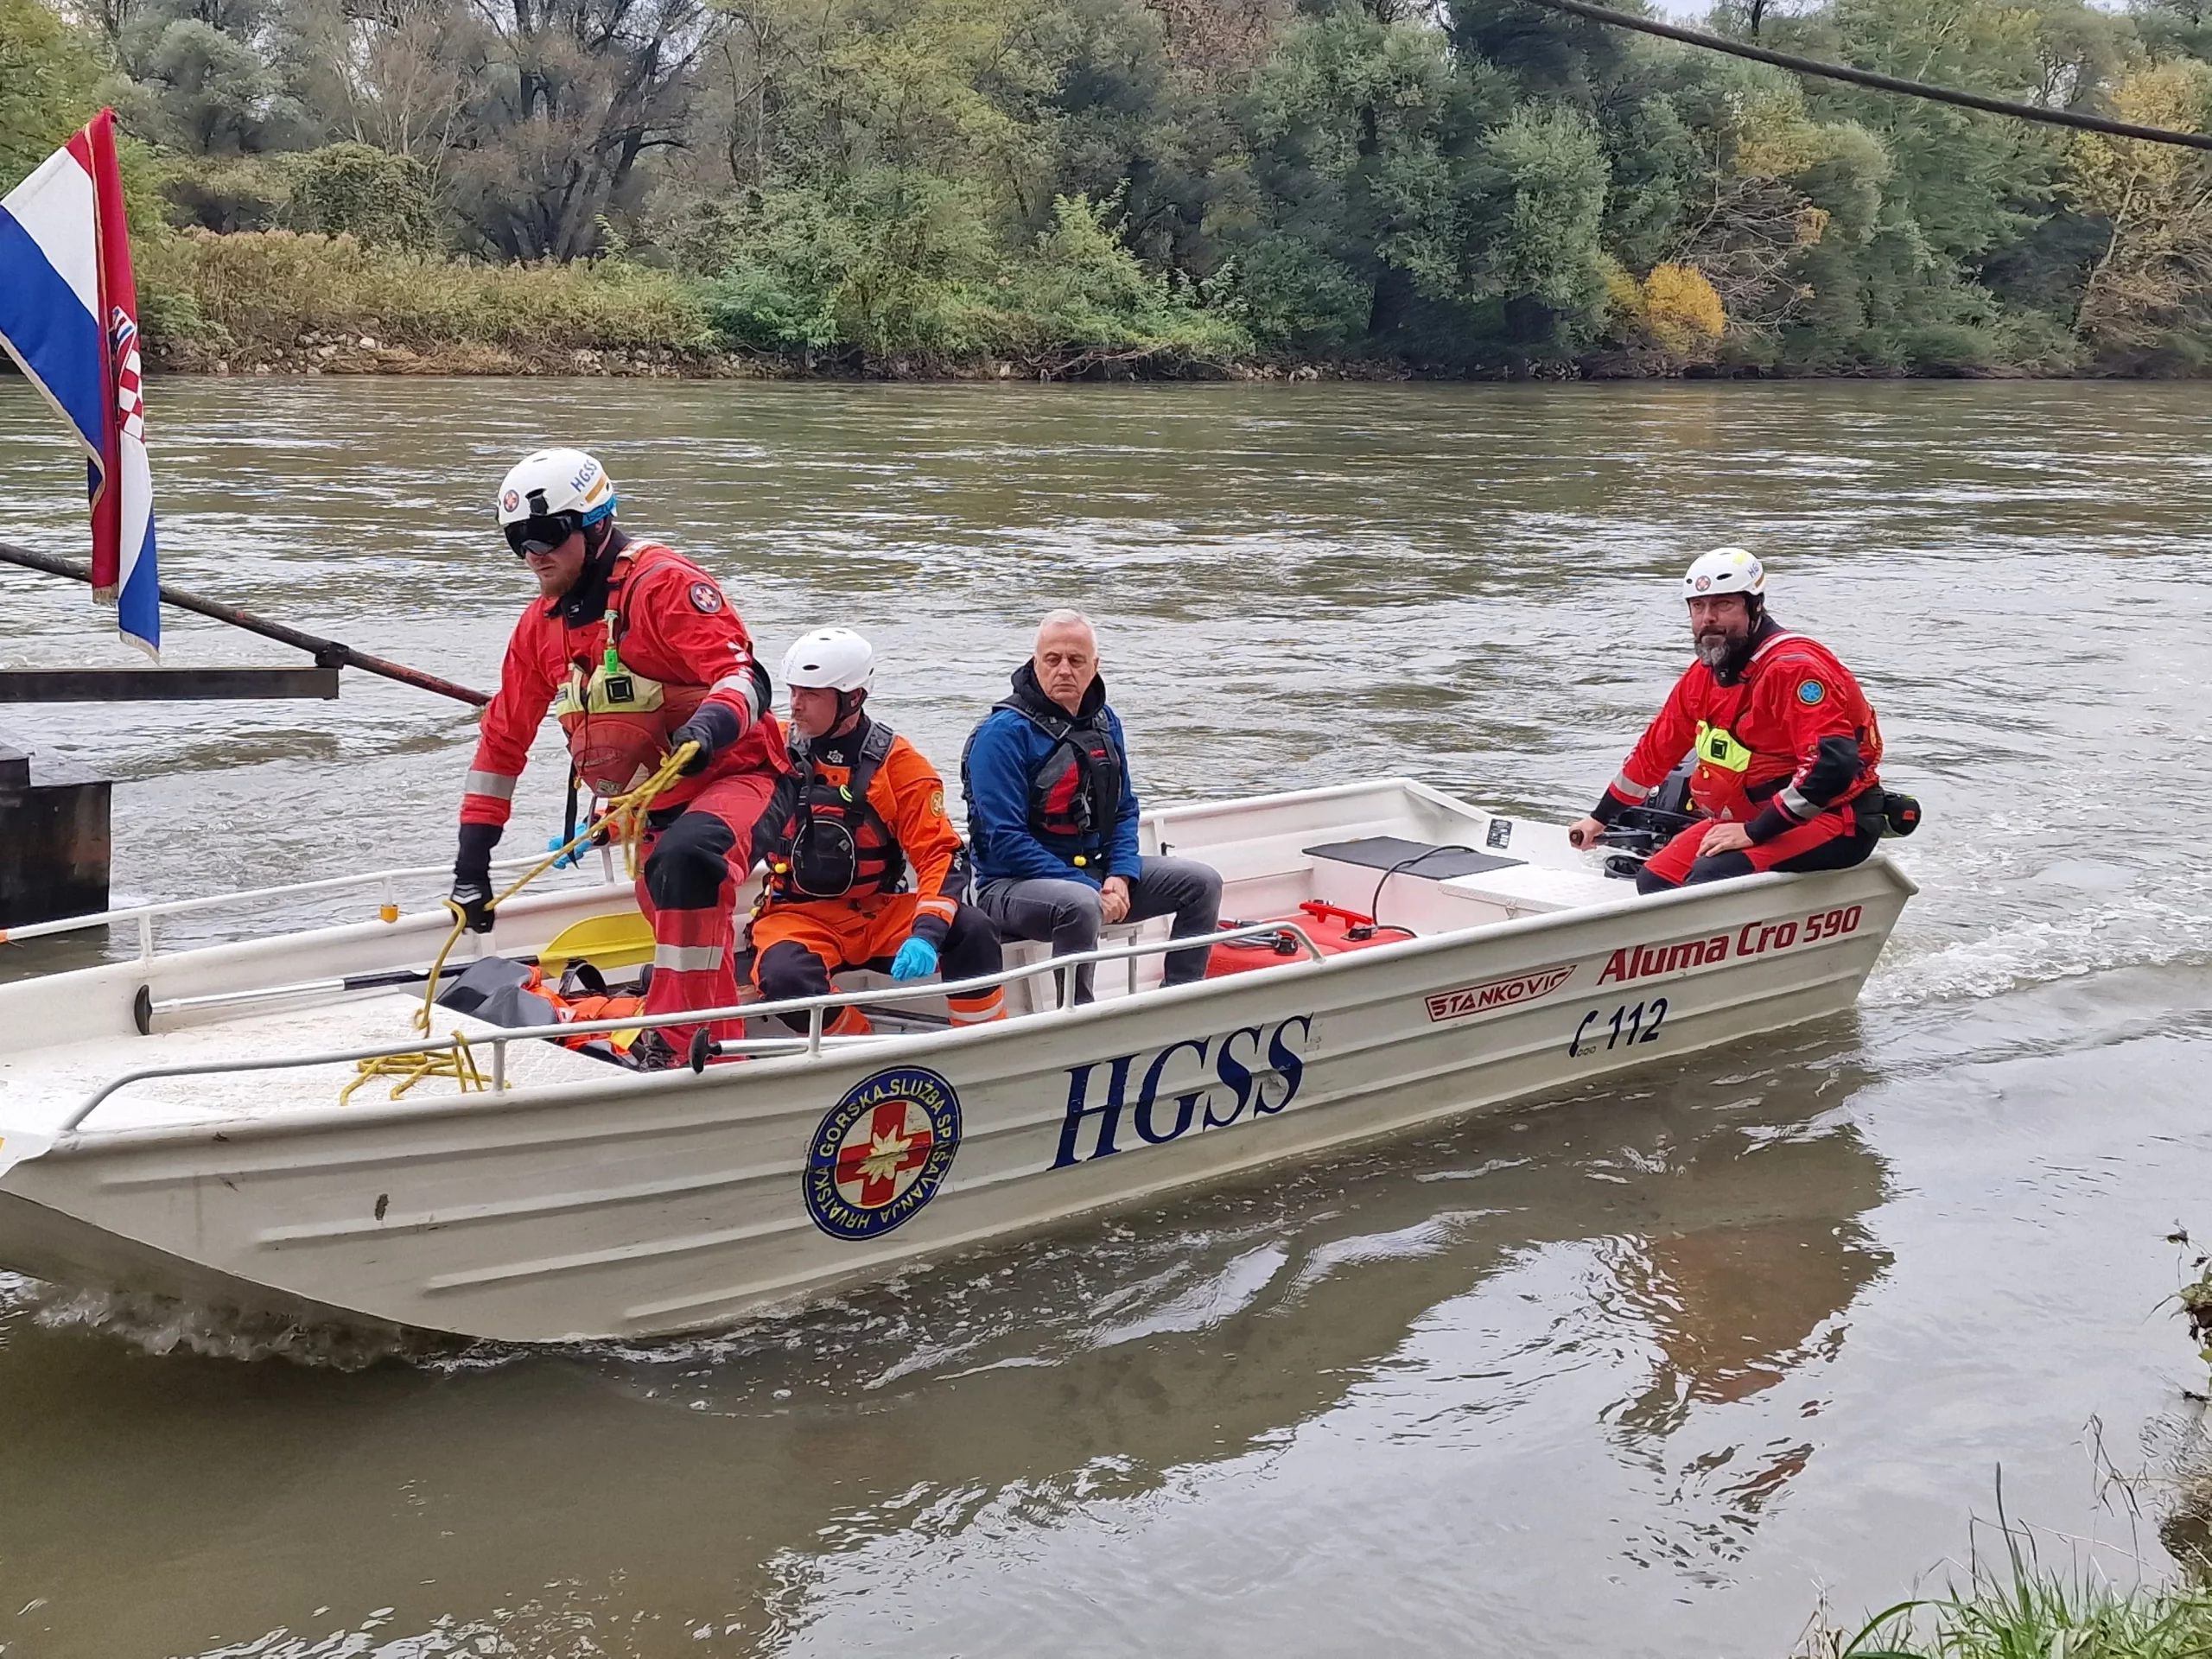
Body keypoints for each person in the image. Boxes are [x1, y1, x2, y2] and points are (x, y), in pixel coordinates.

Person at [450, 447, 790, 1065]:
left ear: (596, 523)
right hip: (654, 809)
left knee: (688, 865)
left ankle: (678, 1047)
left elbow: (744, 677)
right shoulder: (539, 628)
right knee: (680, 922)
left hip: (744, 777)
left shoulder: (663, 587)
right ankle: (719, 1056)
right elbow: (503, 742)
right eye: (517, 540)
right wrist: (472, 862)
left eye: (547, 533)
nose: (533, 553)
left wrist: (708, 730)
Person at [1567, 548, 1885, 893]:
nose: (1708, 619)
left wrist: (1753, 833)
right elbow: (1654, 753)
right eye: (1698, 606)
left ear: (1755, 606)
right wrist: (1600, 817)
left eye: (1723, 605)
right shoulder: (1703, 675)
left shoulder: (1793, 668)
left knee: (1709, 880)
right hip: (1748, 819)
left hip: (1834, 819)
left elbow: (1832, 765)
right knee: (1655, 880)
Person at [751, 628, 1007, 1036]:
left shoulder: (899, 765)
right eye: (793, 691)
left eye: (811, 695)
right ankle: (859, 1047)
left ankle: (984, 1039)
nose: (795, 706)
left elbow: (940, 855)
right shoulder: (770, 749)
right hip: (797, 915)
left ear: (852, 697)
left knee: (972, 931)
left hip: (878, 911)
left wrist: (927, 933)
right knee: (785, 979)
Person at [962, 609, 1221, 1001]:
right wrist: (1091, 886)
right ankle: (1079, 1016)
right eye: (1053, 659)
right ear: (1036, 663)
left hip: (1092, 872)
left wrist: (1120, 874)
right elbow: (1004, 839)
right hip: (1009, 886)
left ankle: (1180, 999)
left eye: (1076, 660)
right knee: (1080, 905)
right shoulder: (1002, 735)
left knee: (1202, 884)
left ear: (1094, 666)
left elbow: (1123, 810)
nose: (1064, 670)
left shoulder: (1105, 722)